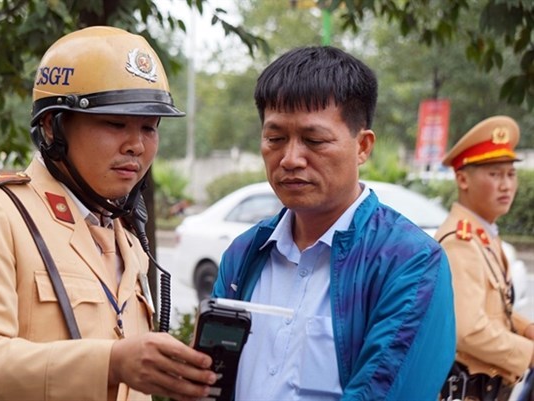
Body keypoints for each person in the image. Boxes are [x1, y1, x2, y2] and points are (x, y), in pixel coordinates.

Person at [0, 26, 216, 401]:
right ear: (51, 127)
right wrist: (109, 363)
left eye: (149, 127)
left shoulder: (124, 233)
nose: (136, 145)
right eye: (115, 124)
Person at [211, 45, 456, 400]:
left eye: (314, 140)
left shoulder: (411, 264)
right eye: (275, 138)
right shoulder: (244, 254)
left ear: (363, 146)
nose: (291, 158)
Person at [435, 115, 534, 401]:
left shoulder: (482, 233)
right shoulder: (460, 241)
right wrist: (528, 352)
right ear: (462, 178)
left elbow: (492, 305)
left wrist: (525, 327)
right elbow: (468, 330)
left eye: (510, 174)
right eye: (494, 174)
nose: (506, 185)